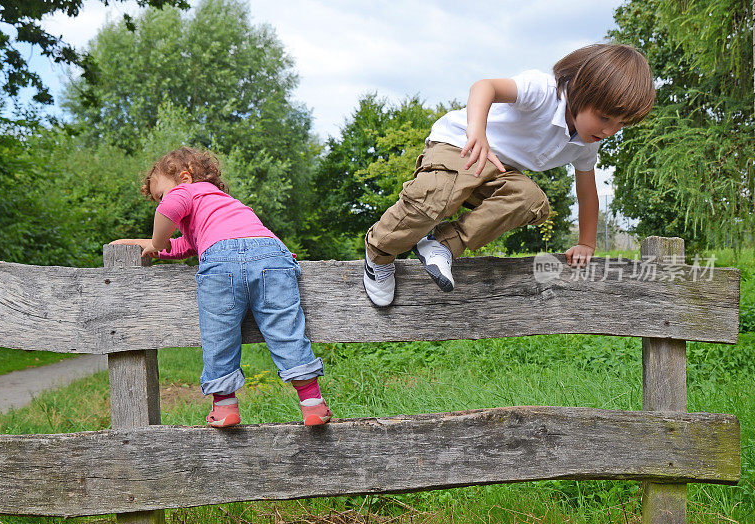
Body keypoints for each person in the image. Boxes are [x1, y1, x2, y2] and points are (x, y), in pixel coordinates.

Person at [362, 43, 655, 306]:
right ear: (580, 88)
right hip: (461, 146)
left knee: (530, 200)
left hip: (499, 171)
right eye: (604, 117)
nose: (609, 131)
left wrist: (587, 243)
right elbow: (484, 86)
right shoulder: (543, 91)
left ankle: (442, 245)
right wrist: (477, 130)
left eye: (621, 124)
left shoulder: (585, 145)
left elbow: (587, 193)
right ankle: (379, 254)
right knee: (438, 194)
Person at [112, 147, 332, 427]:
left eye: (161, 194)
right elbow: (180, 246)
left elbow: (168, 212)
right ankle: (312, 404)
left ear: (184, 177)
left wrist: (156, 241)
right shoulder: (222, 206)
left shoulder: (188, 191)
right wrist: (141, 245)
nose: (162, 203)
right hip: (271, 254)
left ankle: (225, 407)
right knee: (286, 330)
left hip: (221, 261)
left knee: (219, 335)